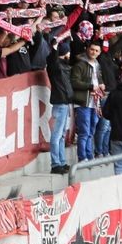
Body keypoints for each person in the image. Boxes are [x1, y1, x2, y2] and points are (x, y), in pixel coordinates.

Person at [46, 41, 74, 175]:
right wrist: (54, 49)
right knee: (57, 135)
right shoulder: (55, 67)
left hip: (66, 103)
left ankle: (62, 162)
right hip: (60, 104)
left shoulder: (65, 67)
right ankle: (55, 164)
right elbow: (51, 61)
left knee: (62, 135)